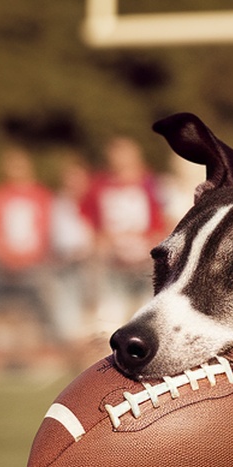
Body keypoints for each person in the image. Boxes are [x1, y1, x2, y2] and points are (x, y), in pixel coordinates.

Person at [0, 146, 54, 361]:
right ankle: (6, 358)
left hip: (33, 264)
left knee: (31, 313)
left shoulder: (42, 194)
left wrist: (38, 257)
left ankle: (28, 357)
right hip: (2, 264)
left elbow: (47, 230)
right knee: (5, 313)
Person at [81, 136, 166, 330]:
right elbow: (89, 220)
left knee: (147, 317)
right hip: (113, 262)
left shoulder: (151, 183)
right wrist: (97, 243)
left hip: (145, 259)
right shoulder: (100, 185)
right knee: (111, 318)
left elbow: (163, 219)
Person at [48, 155, 98, 354]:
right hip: (63, 264)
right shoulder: (58, 203)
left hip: (91, 265)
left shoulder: (93, 203)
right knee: (68, 318)